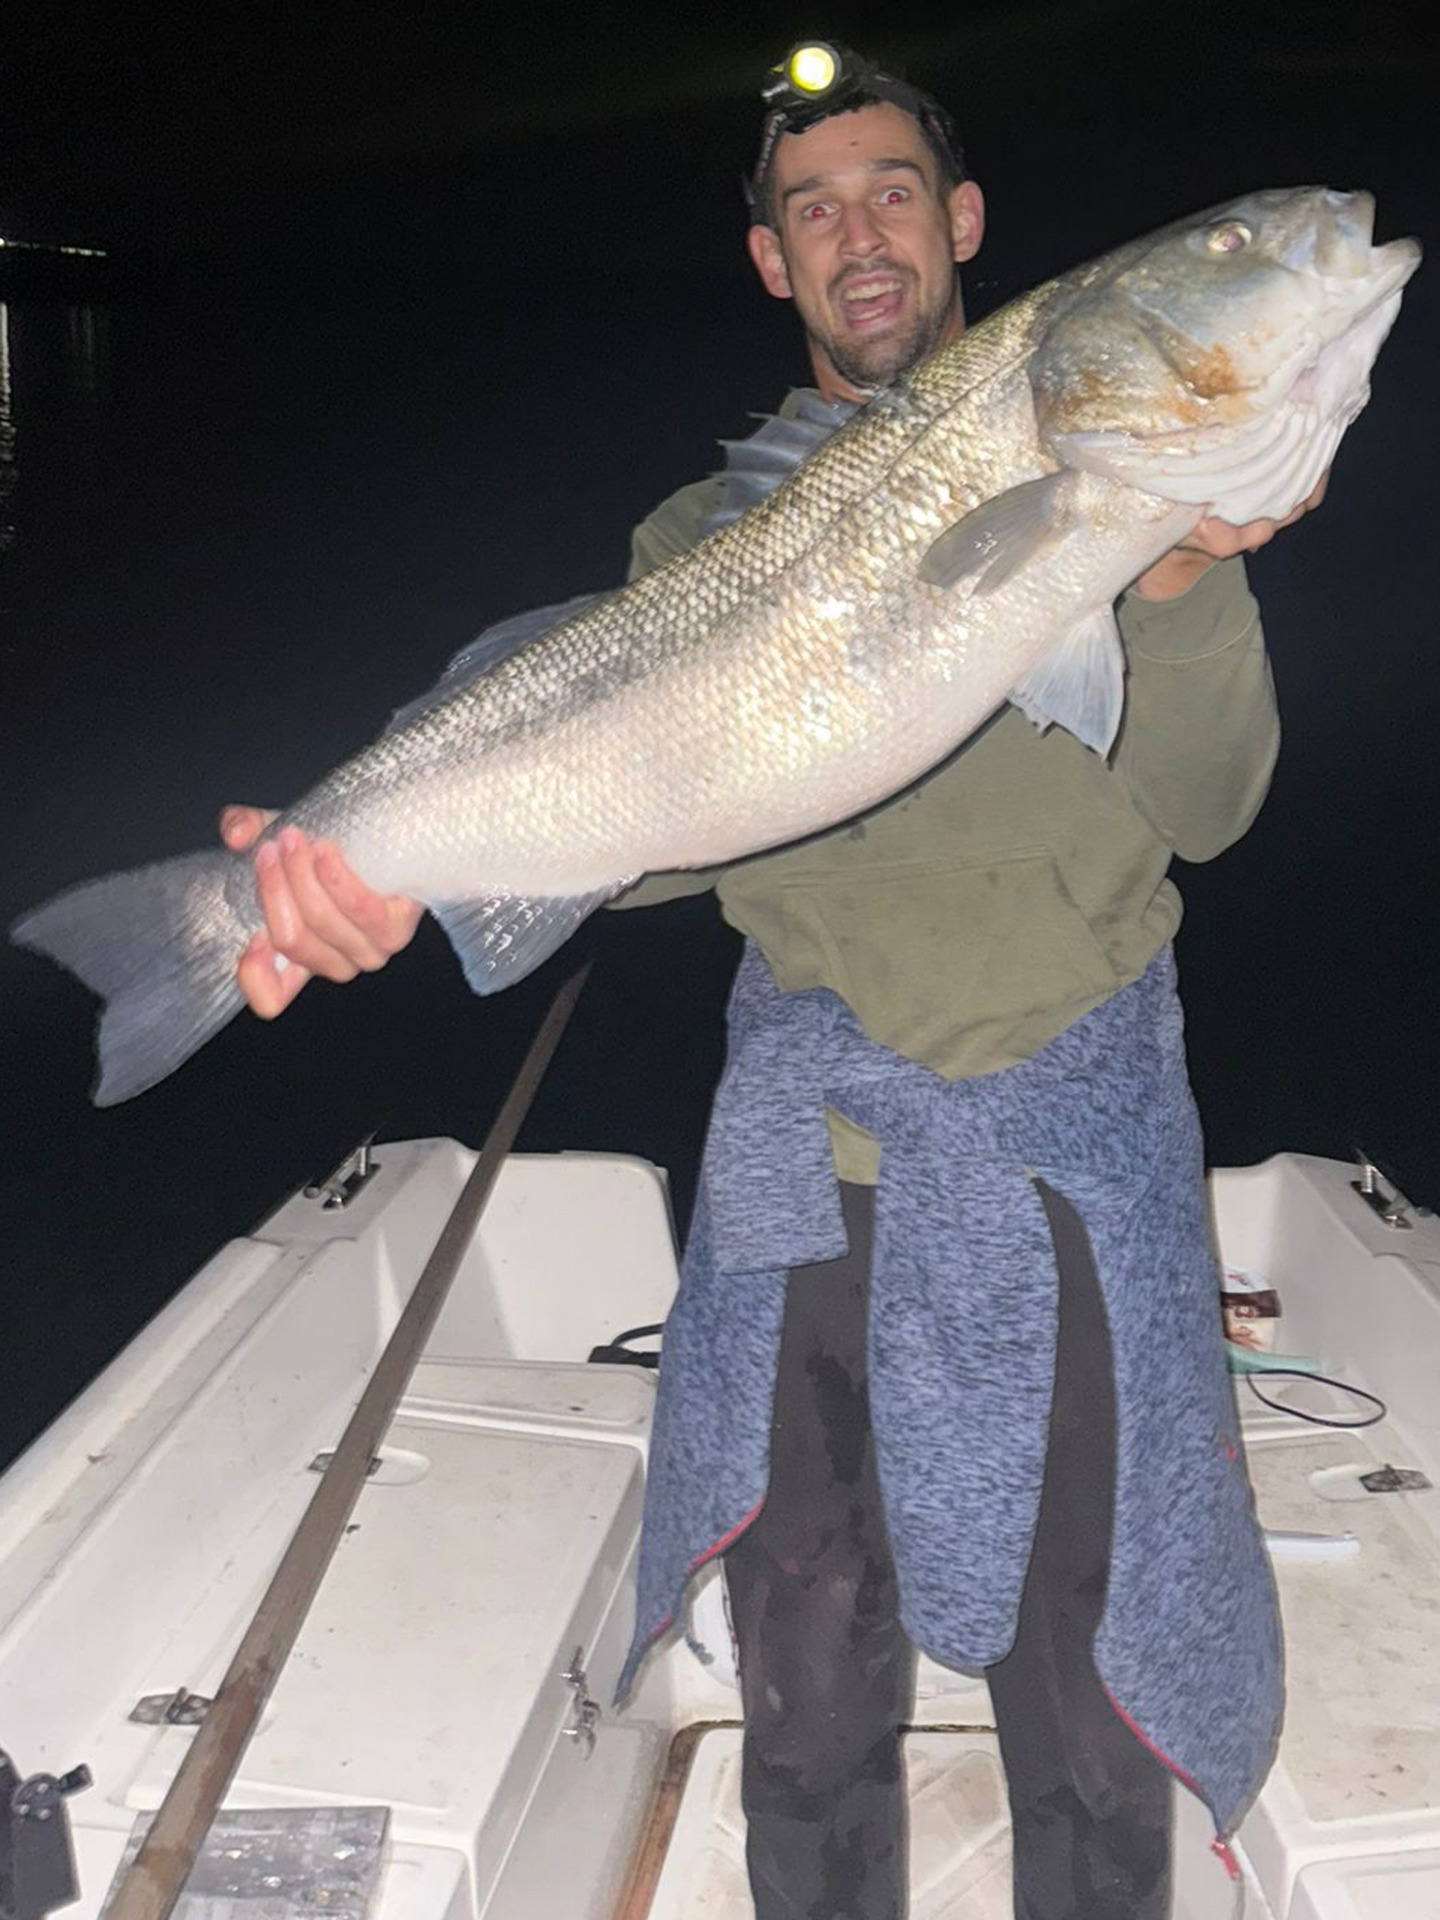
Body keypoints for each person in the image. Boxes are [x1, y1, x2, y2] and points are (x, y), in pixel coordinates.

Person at [223, 45, 1321, 1919]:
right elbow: (653, 840)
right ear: (772, 261)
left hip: (1076, 1141)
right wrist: (379, 878)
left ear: (963, 224)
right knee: (804, 1677)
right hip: (809, 1161)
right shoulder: (700, 543)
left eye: (892, 192)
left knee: (1089, 1694)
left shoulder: (1125, 504)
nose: (858, 234)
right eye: (814, 210)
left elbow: (1209, 808)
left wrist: (1178, 580)